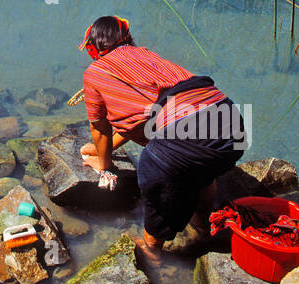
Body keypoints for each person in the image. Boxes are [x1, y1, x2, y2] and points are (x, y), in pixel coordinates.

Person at [77, 15, 244, 263]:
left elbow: (100, 128)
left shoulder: (95, 73)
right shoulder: (146, 55)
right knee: (201, 175)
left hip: (184, 130)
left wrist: (104, 163)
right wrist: (105, 148)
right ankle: (202, 230)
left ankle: (152, 249)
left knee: (155, 176)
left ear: (93, 48)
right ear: (128, 38)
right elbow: (141, 116)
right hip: (230, 120)